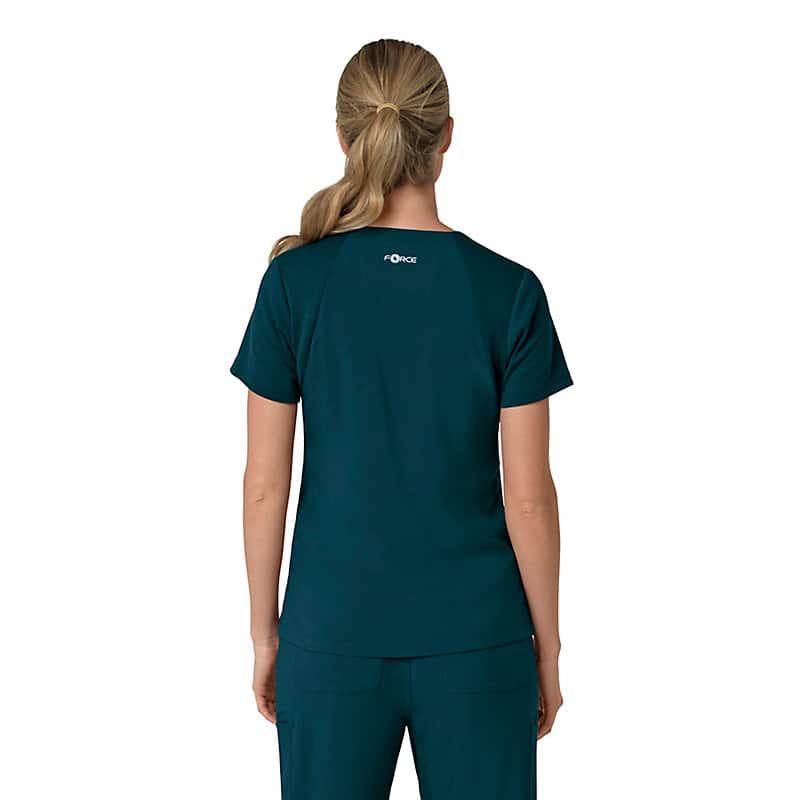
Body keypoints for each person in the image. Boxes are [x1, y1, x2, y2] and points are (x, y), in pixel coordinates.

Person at [231, 38, 573, 800]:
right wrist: (548, 649)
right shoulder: (510, 292)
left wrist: (265, 636)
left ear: (344, 136)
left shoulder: (292, 284)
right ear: (447, 134)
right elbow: (529, 499)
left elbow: (263, 487)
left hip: (331, 638)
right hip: (480, 643)